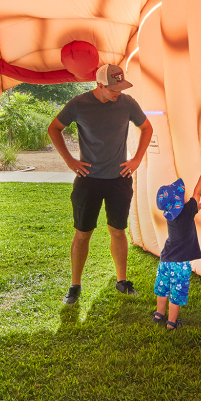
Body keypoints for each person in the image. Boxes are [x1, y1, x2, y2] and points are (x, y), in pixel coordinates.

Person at [48, 63, 154, 304]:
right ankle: (75, 286)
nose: (118, 92)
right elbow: (54, 128)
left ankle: (121, 281)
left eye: (121, 87)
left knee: (118, 231)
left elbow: (146, 127)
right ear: (99, 85)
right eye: (114, 88)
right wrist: (69, 160)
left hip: (119, 180)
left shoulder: (127, 103)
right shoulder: (78, 104)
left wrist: (137, 159)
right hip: (88, 181)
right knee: (83, 235)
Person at [152, 164, 201, 330]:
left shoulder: (170, 215)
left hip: (165, 259)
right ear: (180, 202)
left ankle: (159, 314)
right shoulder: (186, 211)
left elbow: (189, 211)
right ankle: (171, 323)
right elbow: (197, 193)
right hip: (180, 263)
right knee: (176, 294)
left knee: (163, 288)